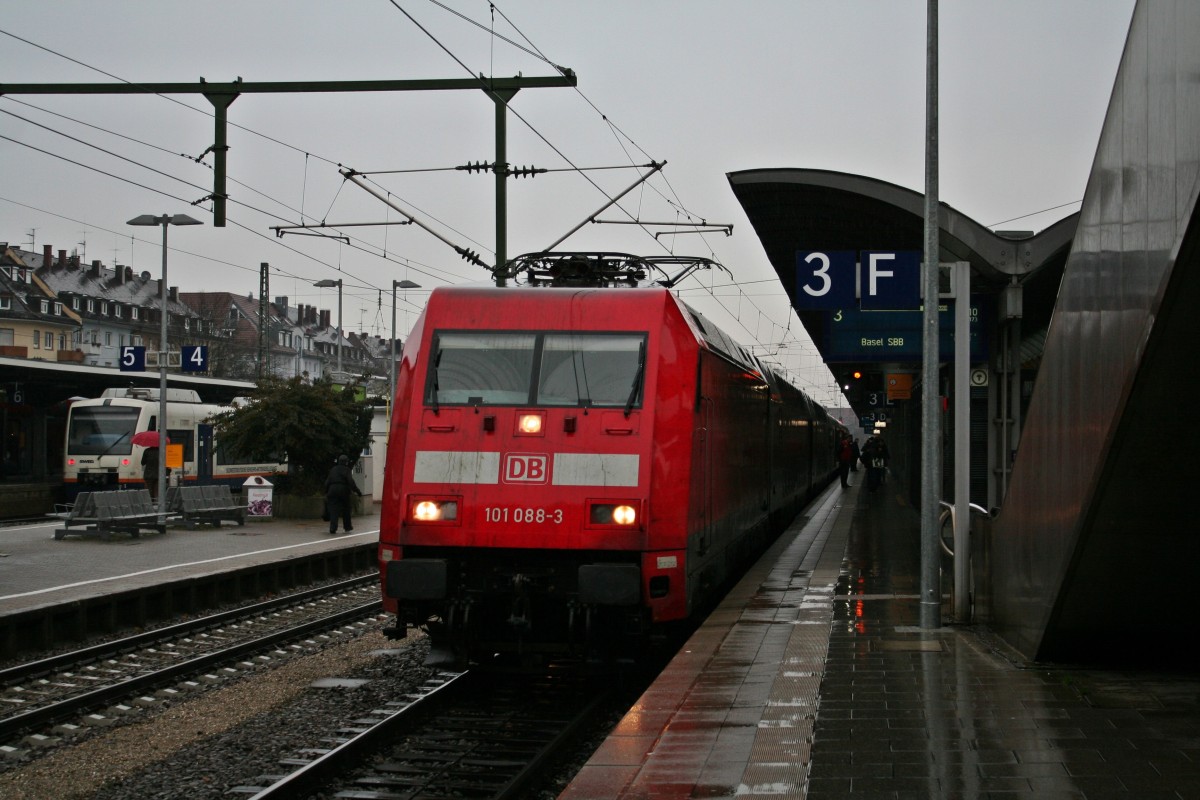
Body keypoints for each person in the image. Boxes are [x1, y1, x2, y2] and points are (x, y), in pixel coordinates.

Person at [324, 454, 363, 535]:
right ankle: (347, 526)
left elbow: (327, 482)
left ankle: (333, 528)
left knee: (333, 510)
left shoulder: (333, 469)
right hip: (343, 490)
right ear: (346, 462)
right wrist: (358, 492)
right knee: (346, 509)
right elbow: (351, 482)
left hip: (332, 490)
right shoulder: (347, 470)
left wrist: (326, 492)